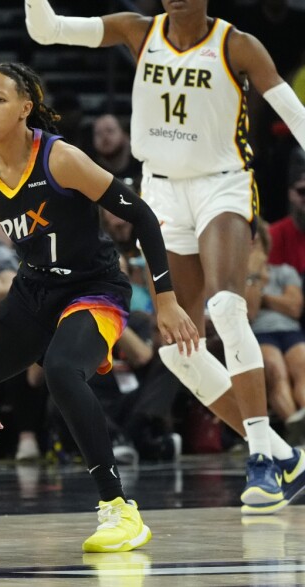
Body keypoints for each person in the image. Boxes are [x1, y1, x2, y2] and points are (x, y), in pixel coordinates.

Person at [0, 62, 199, 554]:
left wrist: (166, 299)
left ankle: (119, 510)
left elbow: (138, 213)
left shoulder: (60, 159)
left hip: (92, 289)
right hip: (32, 293)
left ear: (25, 108)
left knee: (61, 370)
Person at [25, 0, 305, 514]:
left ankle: (263, 454)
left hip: (221, 184)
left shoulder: (236, 44)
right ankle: (282, 452)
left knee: (225, 306)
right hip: (162, 190)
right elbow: (46, 30)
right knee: (178, 351)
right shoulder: (137, 31)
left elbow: (295, 114)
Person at [246, 218, 305, 444]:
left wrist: (263, 297)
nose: (253, 248)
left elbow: (294, 307)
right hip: (260, 332)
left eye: (257, 242)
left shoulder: (284, 272)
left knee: (301, 367)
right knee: (275, 370)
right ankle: (295, 428)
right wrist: (252, 276)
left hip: (290, 330)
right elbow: (251, 313)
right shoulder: (239, 279)